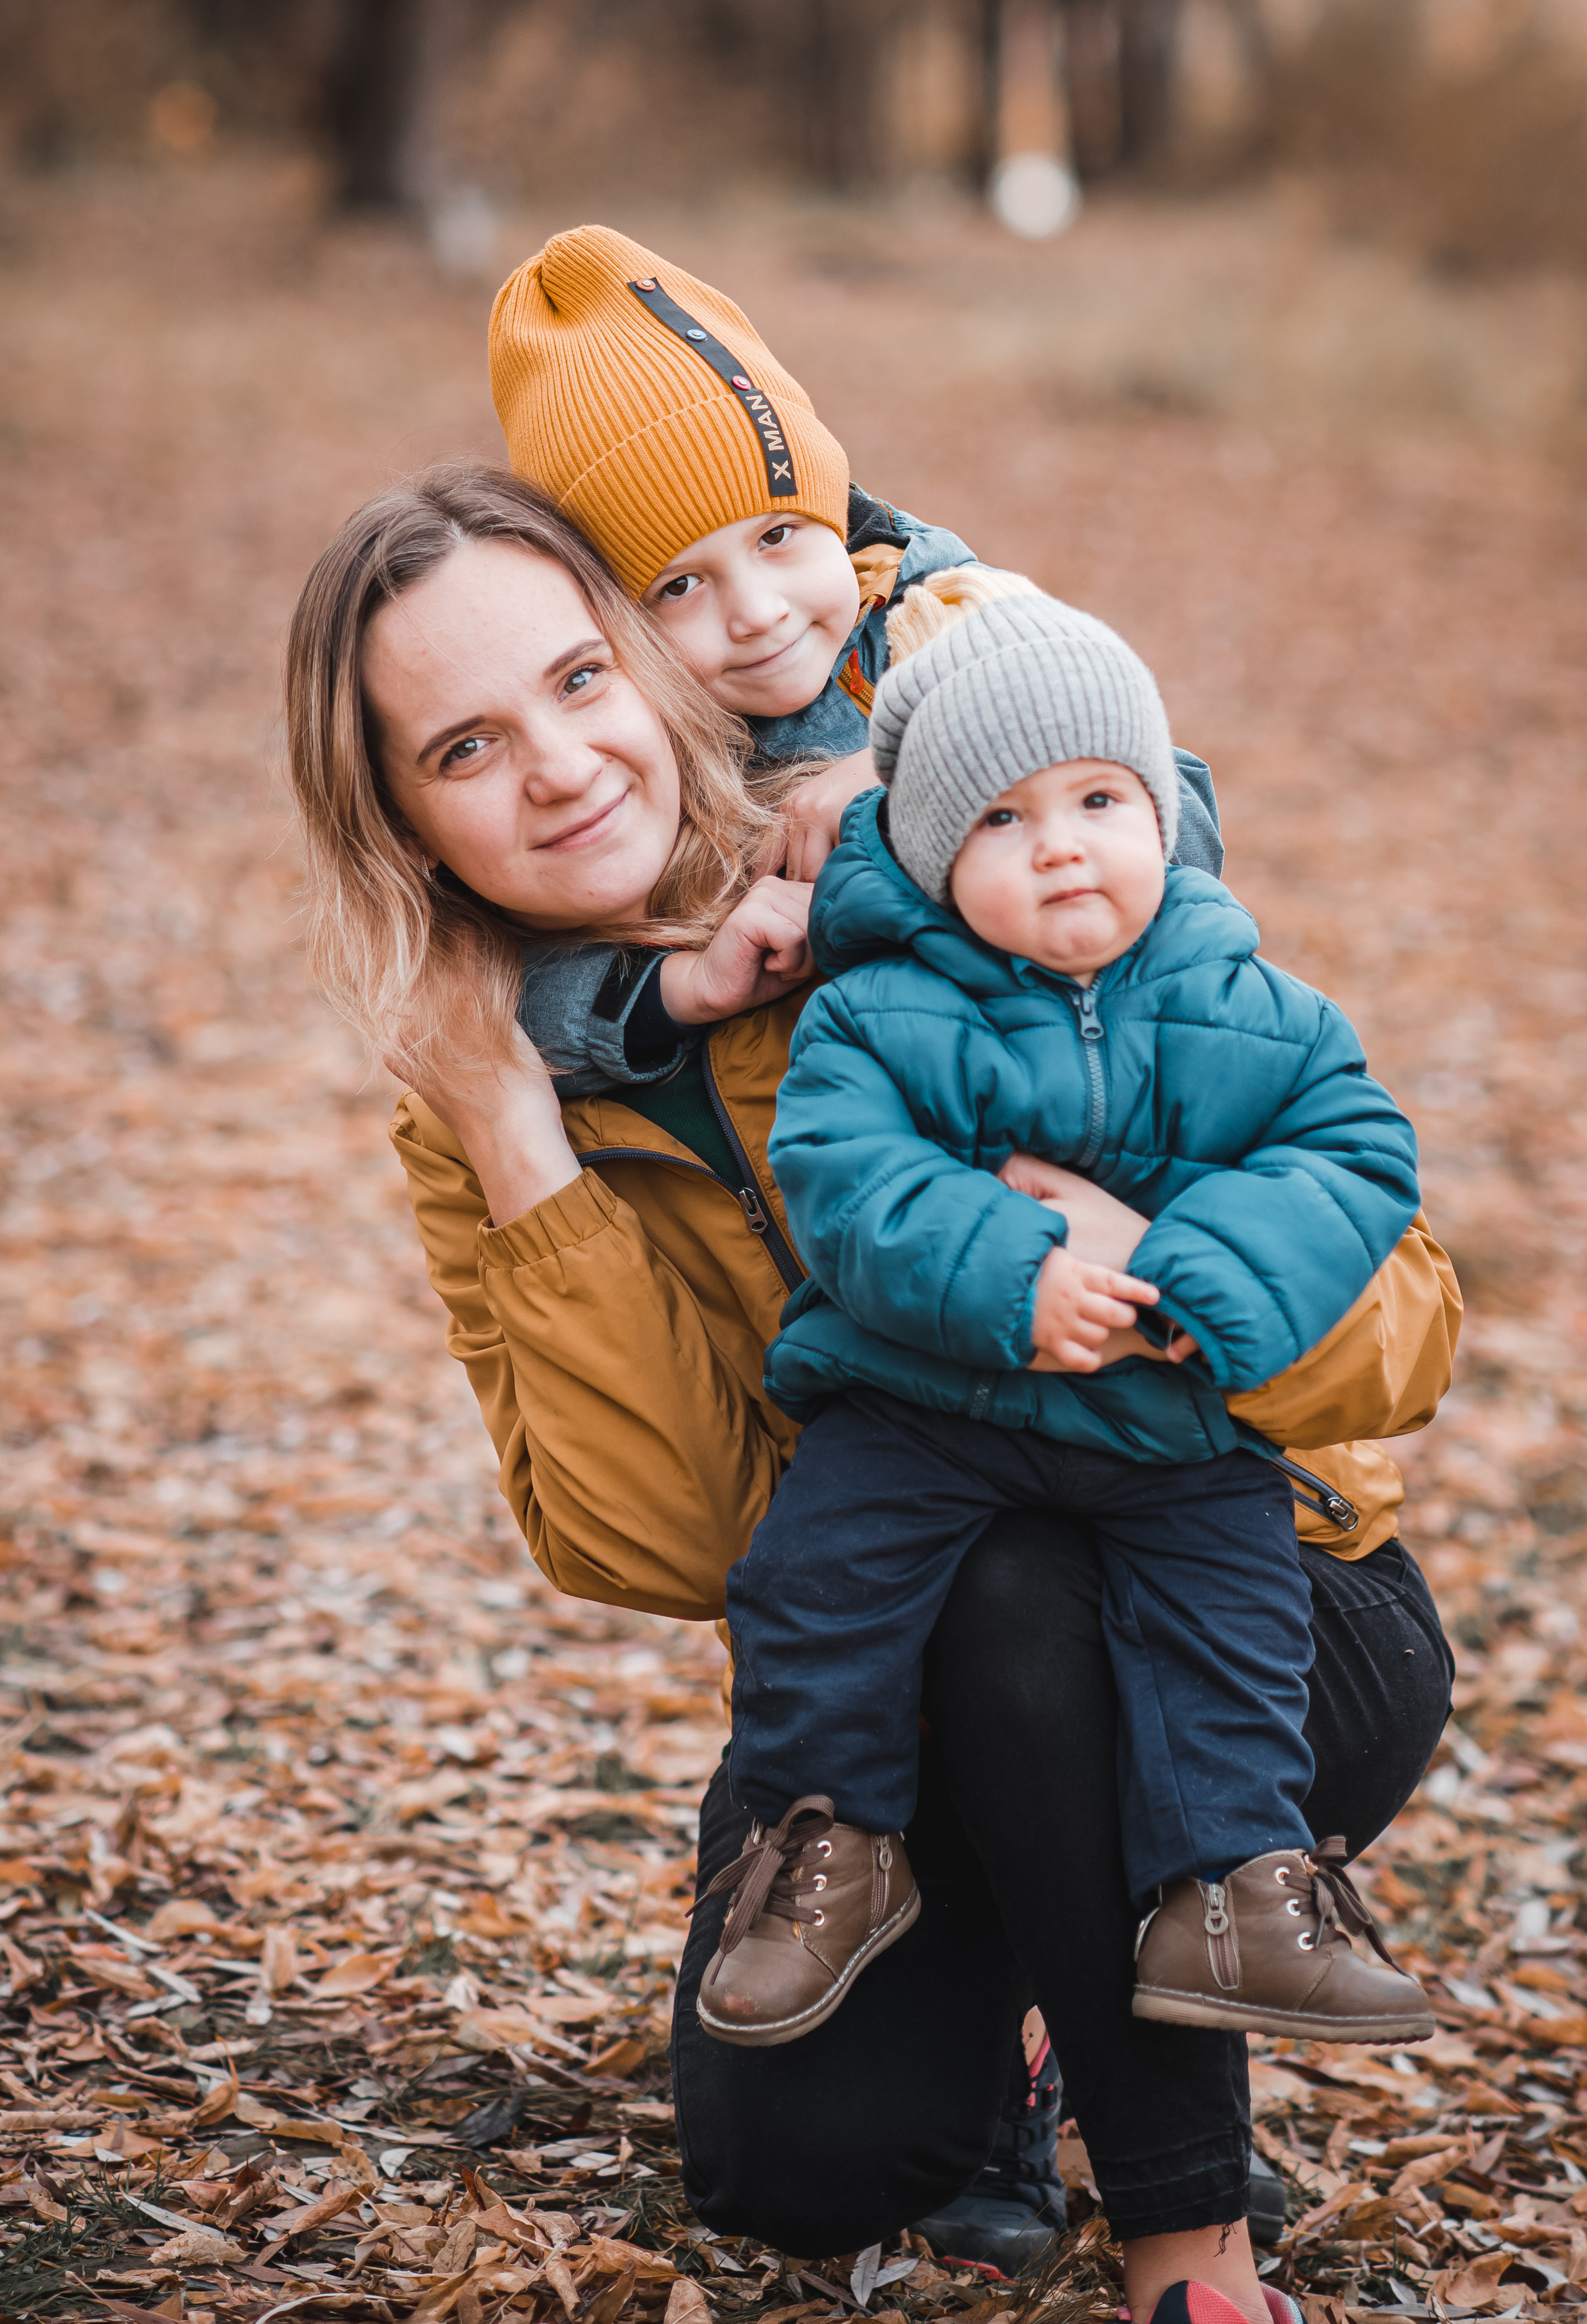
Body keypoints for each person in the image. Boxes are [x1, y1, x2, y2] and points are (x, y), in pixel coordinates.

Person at [284, 461, 1459, 2324]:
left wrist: (1139, 1258)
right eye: (463, 748)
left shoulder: (936, 863)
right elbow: (663, 1540)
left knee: (1014, 1577)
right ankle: (1043, 2003)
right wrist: (522, 1130)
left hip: (1255, 1607)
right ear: (408, 826)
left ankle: (1189, 2236)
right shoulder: (482, 1083)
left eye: (584, 679)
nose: (562, 766)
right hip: (888, 1672)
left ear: (663, 663)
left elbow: (1407, 1325)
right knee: (801, 2164)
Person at [699, 578, 1433, 2057]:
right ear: (922, 850)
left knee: (1231, 1620)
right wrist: (1008, 1268)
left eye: (1098, 797)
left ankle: (1228, 1890)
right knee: (817, 1584)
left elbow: (1352, 1156)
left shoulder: (1250, 1003)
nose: (1060, 845)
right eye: (999, 820)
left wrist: (1186, 1282)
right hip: (927, 1401)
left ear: (1159, 814)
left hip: (1159, 1413)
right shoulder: (874, 1011)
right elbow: (843, 1179)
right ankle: (824, 1855)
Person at [484, 223, 1227, 1100]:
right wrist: (681, 988)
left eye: (778, 536)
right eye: (680, 586)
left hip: (1145, 1087)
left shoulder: (955, 617)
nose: (759, 612)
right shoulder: (632, 750)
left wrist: (905, 778)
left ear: (831, 507)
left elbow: (1181, 824)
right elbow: (512, 1004)